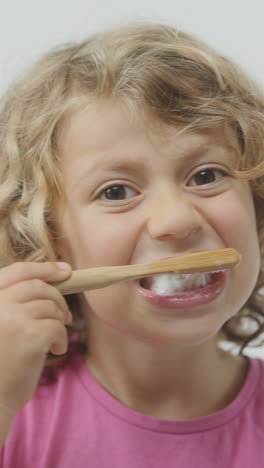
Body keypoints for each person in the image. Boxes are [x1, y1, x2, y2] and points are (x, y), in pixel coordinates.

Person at [0, 21, 264, 468]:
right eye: (117, 191)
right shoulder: (14, 409)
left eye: (206, 176)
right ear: (46, 238)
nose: (176, 220)